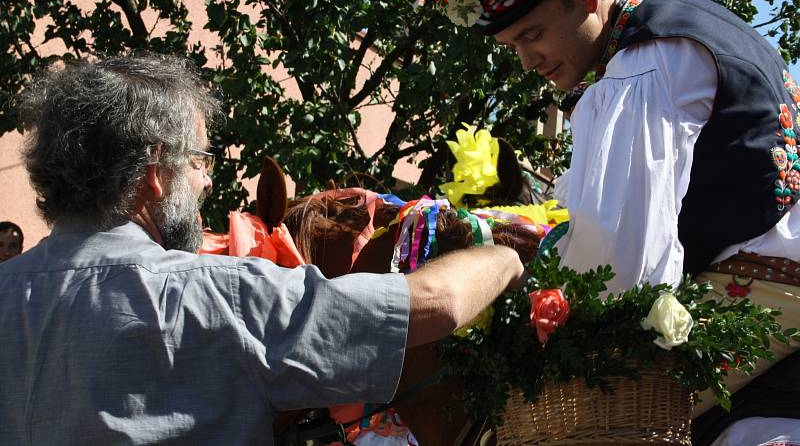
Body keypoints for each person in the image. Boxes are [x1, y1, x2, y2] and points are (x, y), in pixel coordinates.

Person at [0, 54, 525, 445]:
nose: (206, 184)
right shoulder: (215, 294)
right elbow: (435, 304)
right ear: (156, 171)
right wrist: (501, 250)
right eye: (200, 160)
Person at [428, 0, 799, 445]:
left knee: (550, 425)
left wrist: (523, 299)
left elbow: (619, 261)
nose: (527, 60)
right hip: (769, 272)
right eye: (512, 45)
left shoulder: (646, 59)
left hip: (770, 288)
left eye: (531, 34)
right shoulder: (673, 20)